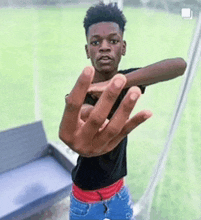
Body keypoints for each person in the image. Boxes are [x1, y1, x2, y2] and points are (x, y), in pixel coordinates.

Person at [59, 2, 186, 220]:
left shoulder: (130, 80)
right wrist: (87, 112)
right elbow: (80, 111)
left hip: (118, 189)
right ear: (87, 51)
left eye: (113, 41)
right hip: (86, 196)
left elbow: (179, 65)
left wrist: (120, 82)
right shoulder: (82, 90)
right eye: (96, 42)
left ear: (123, 47)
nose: (105, 47)